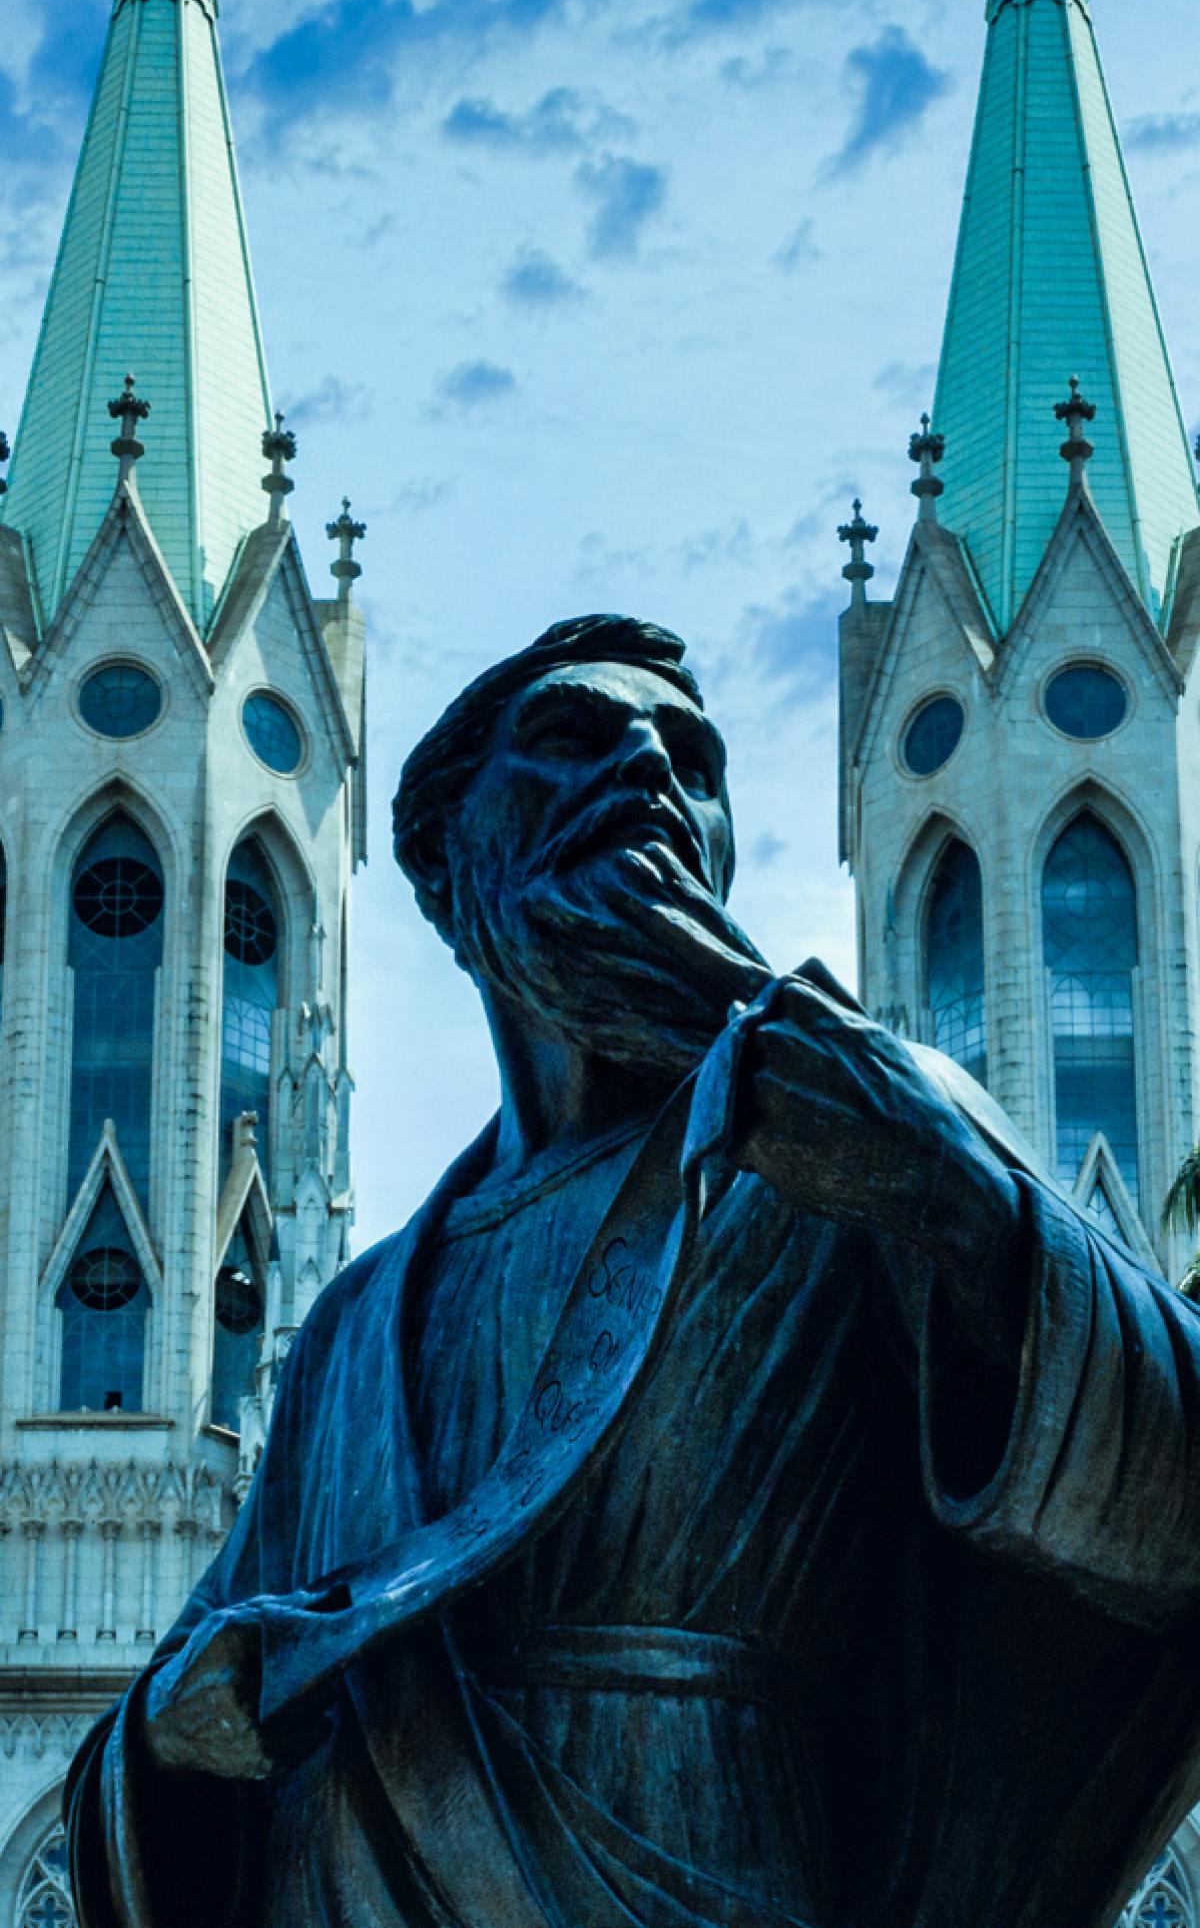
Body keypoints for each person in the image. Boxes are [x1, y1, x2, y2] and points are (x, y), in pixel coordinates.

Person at [66, 614, 1200, 1928]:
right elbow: (180, 1715)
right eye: (572, 739)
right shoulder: (350, 1331)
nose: (652, 772)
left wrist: (959, 1202)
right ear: (442, 857)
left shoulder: (849, 1144)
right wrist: (170, 1731)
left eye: (696, 762)